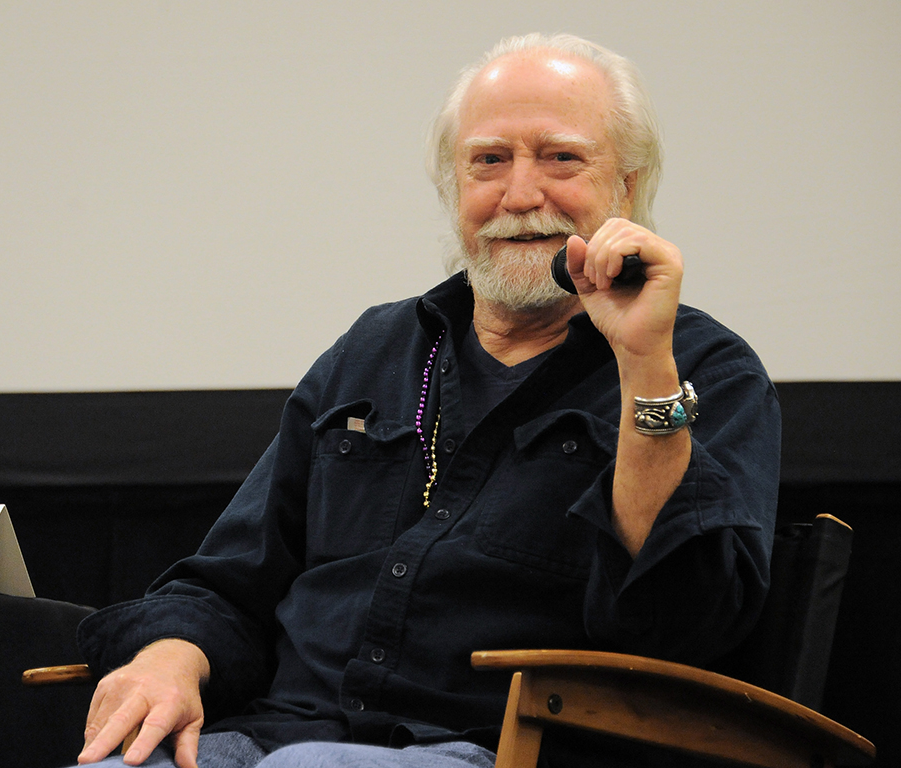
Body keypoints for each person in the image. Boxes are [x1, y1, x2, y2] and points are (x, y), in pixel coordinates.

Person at [73, 32, 781, 768]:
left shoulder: (701, 367)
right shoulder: (375, 348)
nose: (520, 194)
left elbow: (686, 624)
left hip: (500, 751)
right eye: (488, 161)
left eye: (562, 158)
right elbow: (231, 578)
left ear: (628, 188)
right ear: (454, 187)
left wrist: (642, 364)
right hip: (277, 736)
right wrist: (170, 654)